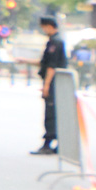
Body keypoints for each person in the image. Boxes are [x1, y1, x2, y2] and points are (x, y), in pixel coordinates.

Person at [32, 13, 66, 154]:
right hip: (55, 82)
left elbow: (51, 67)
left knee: (51, 113)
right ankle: (58, 143)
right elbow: (45, 63)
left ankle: (49, 143)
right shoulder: (55, 41)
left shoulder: (55, 42)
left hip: (54, 83)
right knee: (55, 113)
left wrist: (46, 86)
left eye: (44, 27)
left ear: (49, 26)